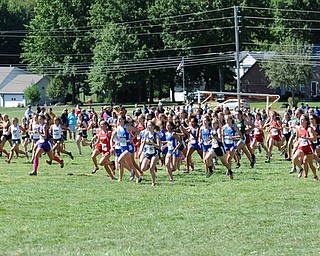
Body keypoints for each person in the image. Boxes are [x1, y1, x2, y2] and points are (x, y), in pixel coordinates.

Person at [292, 114, 318, 181]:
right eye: (300, 119)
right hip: (301, 147)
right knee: (295, 157)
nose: (301, 121)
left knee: (310, 164)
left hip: (309, 147)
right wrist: (295, 142)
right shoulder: (299, 128)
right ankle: (301, 169)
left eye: (303, 119)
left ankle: (315, 176)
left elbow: (314, 138)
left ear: (306, 121)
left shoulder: (309, 129)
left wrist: (306, 138)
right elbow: (297, 138)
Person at [139, 121, 161, 186]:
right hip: (148, 152)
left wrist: (152, 143)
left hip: (155, 153)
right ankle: (150, 165)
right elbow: (143, 142)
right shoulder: (146, 134)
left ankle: (153, 183)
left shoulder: (156, 135)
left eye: (150, 125)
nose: (148, 127)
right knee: (142, 168)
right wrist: (141, 150)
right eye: (148, 125)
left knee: (152, 168)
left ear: (153, 126)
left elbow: (159, 146)